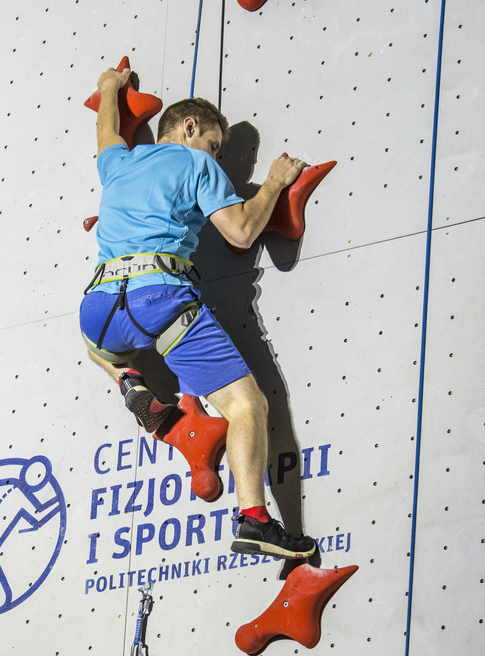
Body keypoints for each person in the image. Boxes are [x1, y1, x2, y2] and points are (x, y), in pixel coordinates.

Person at [79, 65, 315, 561]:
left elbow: (106, 129)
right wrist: (273, 184)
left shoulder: (119, 162)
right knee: (247, 406)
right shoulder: (195, 164)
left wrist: (108, 89)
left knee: (99, 348)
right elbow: (241, 232)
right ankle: (255, 520)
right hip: (160, 299)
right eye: (213, 144)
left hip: (98, 307)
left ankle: (128, 381)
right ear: (189, 128)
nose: (215, 156)